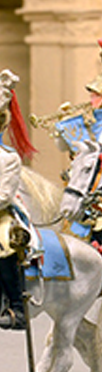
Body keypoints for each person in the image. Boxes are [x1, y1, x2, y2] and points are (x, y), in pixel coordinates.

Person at [0, 70, 38, 330]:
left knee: (4, 243)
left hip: (2, 214)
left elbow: (4, 196)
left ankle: (16, 308)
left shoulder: (8, 158)